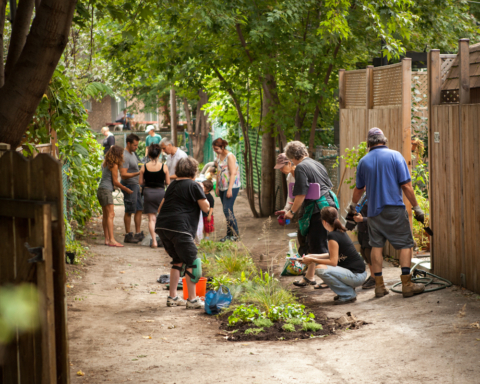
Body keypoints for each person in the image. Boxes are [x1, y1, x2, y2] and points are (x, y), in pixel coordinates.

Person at [348, 127, 425, 298]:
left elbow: (359, 189)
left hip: (374, 212)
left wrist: (352, 206)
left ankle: (379, 286)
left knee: (376, 246)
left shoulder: (363, 161)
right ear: (384, 139)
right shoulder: (395, 156)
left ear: (369, 143)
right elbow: (406, 185)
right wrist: (416, 207)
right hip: (394, 210)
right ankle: (407, 285)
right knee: (405, 244)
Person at [155, 157, 210, 309]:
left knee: (177, 260)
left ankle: (172, 297)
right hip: (181, 228)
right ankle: (192, 300)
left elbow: (160, 208)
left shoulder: (172, 185)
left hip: (163, 227)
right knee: (192, 261)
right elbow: (206, 208)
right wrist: (202, 192)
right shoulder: (194, 185)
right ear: (194, 171)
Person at [283, 141, 338, 289]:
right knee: (316, 244)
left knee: (319, 245)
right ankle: (310, 277)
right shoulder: (317, 163)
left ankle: (329, 279)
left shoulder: (301, 167)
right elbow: (328, 186)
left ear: (292, 157)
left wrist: (291, 212)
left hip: (318, 209)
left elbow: (301, 194)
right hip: (330, 205)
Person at [300, 207, 367, 305]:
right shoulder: (339, 231)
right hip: (360, 274)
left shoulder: (332, 236)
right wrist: (311, 256)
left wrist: (312, 260)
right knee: (321, 267)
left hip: (356, 276)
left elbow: (333, 261)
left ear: (324, 222)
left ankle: (347, 294)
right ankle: (347, 291)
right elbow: (332, 254)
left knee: (320, 269)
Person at [96, 145, 133, 247]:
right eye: (121, 153)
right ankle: (112, 240)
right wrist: (126, 189)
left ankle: (107, 239)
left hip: (101, 190)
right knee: (111, 215)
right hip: (106, 191)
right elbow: (116, 182)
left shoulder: (107, 163)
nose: (122, 155)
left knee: (106, 215)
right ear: (117, 154)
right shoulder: (114, 165)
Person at [274, 153, 308, 257]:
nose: (280, 170)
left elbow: (302, 194)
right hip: (301, 207)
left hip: (312, 206)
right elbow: (291, 195)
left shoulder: (301, 172)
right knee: (302, 235)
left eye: (281, 167)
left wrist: (292, 211)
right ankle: (304, 260)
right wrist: (286, 210)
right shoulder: (289, 177)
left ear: (289, 163)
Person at [139, 143, 170, 248]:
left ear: (149, 155)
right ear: (159, 154)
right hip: (160, 193)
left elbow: (141, 182)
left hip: (148, 193)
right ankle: (162, 239)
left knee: (151, 219)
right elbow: (168, 182)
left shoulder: (144, 167)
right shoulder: (164, 166)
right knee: (161, 217)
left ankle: (154, 242)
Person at [212, 138, 241, 242]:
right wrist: (217, 187)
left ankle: (236, 235)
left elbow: (233, 173)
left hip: (232, 186)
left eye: (216, 148)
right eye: (214, 149)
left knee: (227, 210)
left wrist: (229, 189)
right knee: (228, 211)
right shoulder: (219, 156)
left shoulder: (230, 156)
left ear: (222, 147)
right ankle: (229, 235)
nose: (215, 150)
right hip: (222, 186)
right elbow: (218, 171)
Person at [120, 134, 144, 243]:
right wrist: (138, 173)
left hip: (135, 185)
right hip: (129, 185)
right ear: (128, 143)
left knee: (139, 208)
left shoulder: (132, 153)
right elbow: (123, 174)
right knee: (129, 210)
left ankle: (138, 233)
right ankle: (128, 234)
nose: (136, 147)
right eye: (135, 145)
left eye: (137, 145)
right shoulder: (125, 156)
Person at [352, 197, 376, 289]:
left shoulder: (375, 196)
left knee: (369, 253)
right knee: (364, 252)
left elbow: (377, 217)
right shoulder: (365, 196)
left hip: (370, 230)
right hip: (362, 229)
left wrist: (363, 219)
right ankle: (372, 275)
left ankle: (375, 278)